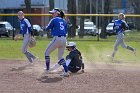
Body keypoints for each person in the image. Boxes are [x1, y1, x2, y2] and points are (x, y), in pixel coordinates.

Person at [44, 8, 69, 76]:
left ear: (57, 13)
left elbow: (47, 28)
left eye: (53, 13)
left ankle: (47, 69)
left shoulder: (54, 20)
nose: (52, 14)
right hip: (64, 39)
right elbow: (65, 31)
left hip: (57, 38)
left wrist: (46, 28)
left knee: (46, 53)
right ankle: (66, 72)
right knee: (60, 57)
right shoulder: (64, 21)